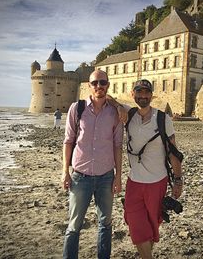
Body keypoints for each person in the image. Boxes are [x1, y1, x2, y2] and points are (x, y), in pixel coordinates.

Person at [110, 79, 183, 259]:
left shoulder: (162, 119)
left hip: (157, 182)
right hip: (134, 181)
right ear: (132, 94)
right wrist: (119, 107)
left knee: (151, 225)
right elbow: (109, 99)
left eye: (146, 93)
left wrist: (178, 180)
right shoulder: (130, 113)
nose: (143, 96)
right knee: (135, 224)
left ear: (151, 95)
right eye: (139, 92)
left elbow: (173, 152)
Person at [61, 69, 123, 259]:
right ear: (89, 85)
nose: (99, 86)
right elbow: (68, 141)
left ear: (108, 85)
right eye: (95, 83)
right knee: (74, 226)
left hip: (106, 177)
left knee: (105, 224)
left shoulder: (115, 112)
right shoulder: (76, 108)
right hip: (80, 176)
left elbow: (117, 145)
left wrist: (118, 176)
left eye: (102, 83)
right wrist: (65, 171)